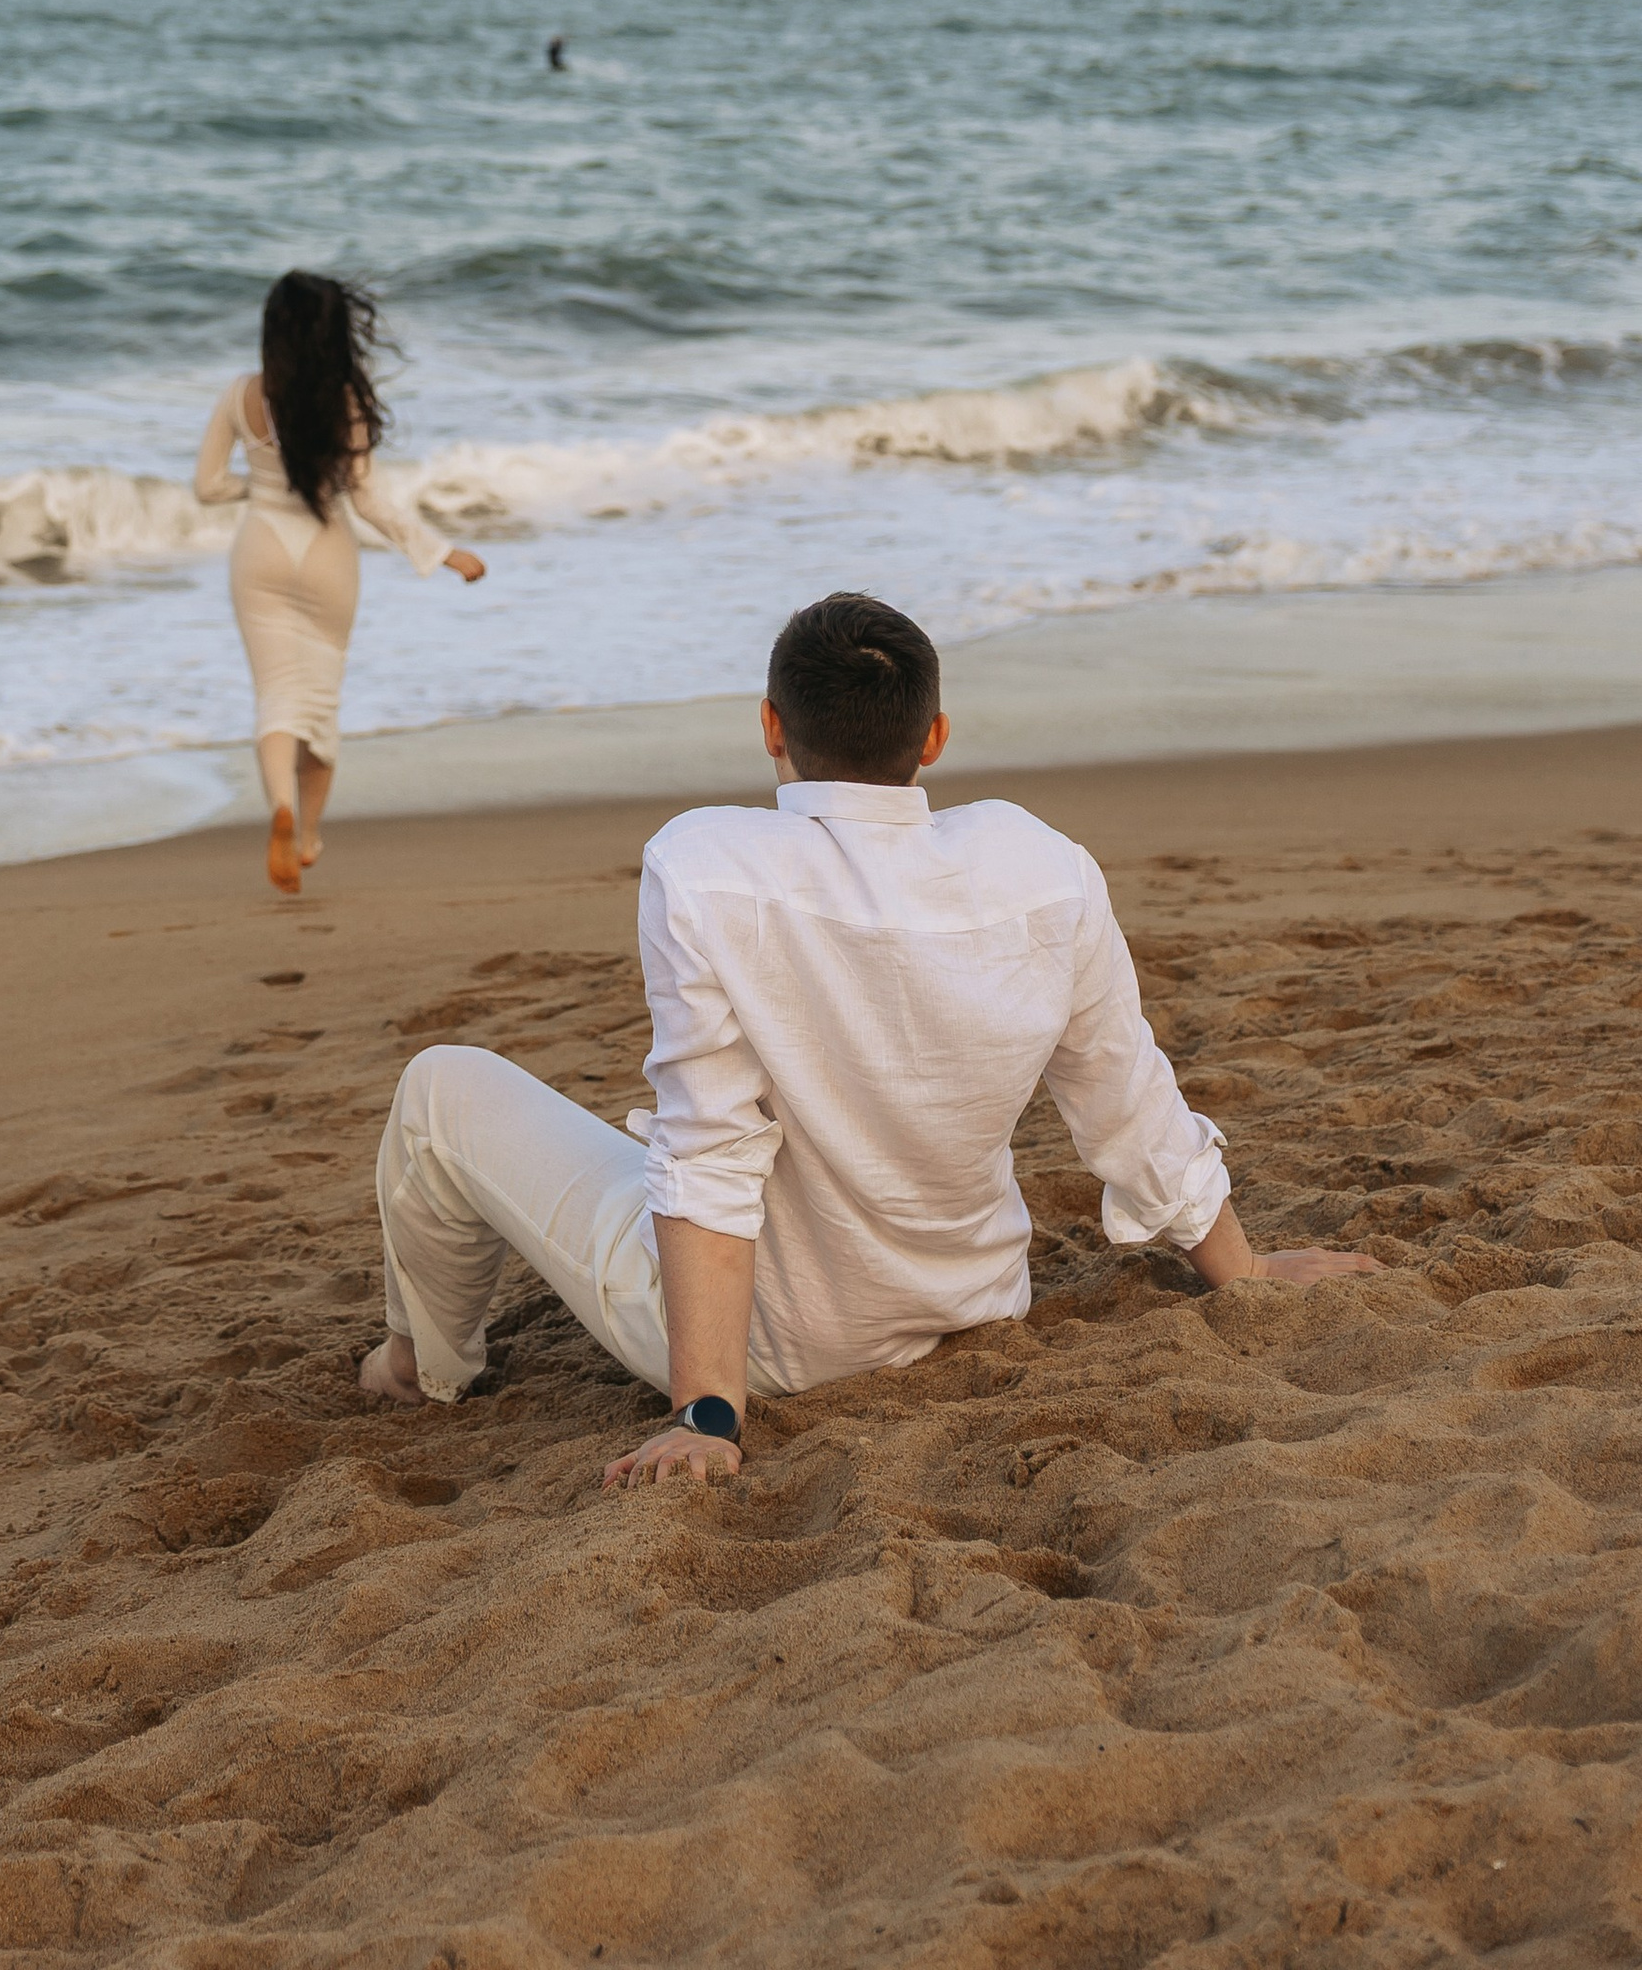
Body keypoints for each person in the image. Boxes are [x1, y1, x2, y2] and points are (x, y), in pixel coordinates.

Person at [361, 589, 1379, 1484]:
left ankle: (419, 1367)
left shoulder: (709, 866)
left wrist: (707, 1415)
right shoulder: (1042, 866)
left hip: (780, 1346)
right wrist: (1243, 1273)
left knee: (442, 1087)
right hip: (978, 1303)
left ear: (772, 726)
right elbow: (1126, 1095)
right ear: (933, 738)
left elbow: (712, 1149)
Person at [195, 271, 486, 899]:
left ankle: (279, 805)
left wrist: (261, 487)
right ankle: (306, 838)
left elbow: (207, 487)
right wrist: (442, 552)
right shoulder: (347, 400)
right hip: (327, 556)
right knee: (319, 704)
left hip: (260, 549)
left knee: (276, 697)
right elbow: (368, 500)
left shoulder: (240, 393)